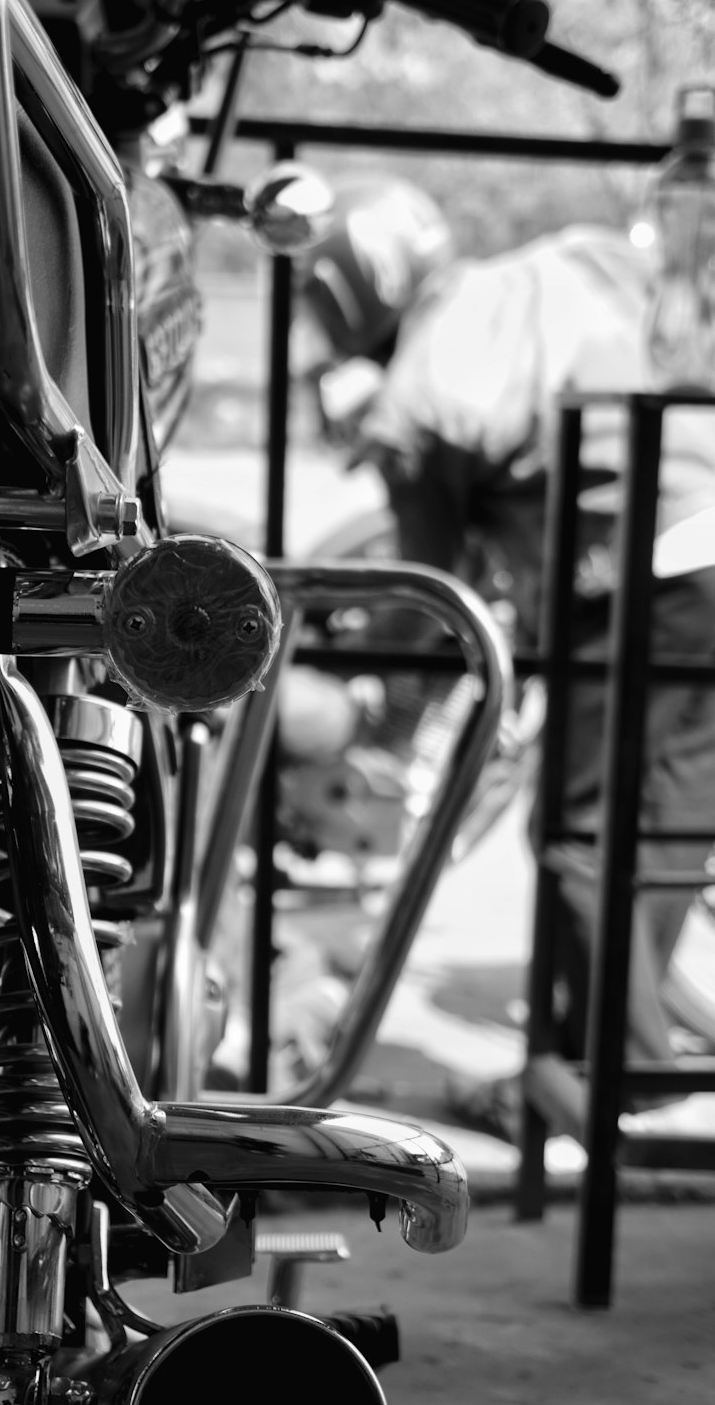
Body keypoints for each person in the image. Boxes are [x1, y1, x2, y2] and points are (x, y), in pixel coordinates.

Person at [298, 184, 715, 1137]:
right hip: (712, 531)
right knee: (668, 820)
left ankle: (603, 1072)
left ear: (359, 290)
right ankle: (626, 1059)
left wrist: (366, 691)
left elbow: (424, 589)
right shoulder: (557, 259)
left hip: (631, 576)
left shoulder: (416, 396)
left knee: (575, 837)